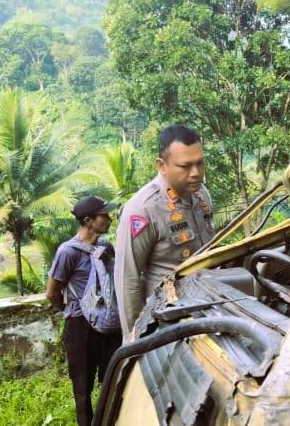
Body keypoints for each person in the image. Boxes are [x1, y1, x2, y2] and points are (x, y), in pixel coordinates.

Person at [115, 124, 215, 339]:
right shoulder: (142, 210)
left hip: (209, 309)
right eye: (185, 166)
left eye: (200, 163)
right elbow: (127, 281)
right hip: (168, 323)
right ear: (162, 165)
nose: (196, 173)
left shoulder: (201, 194)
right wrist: (135, 341)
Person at [45, 195, 121, 426]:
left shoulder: (105, 247)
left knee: (114, 377)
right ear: (88, 221)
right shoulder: (68, 252)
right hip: (80, 326)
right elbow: (52, 292)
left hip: (108, 322)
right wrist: (74, 310)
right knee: (82, 385)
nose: (109, 219)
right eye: (103, 215)